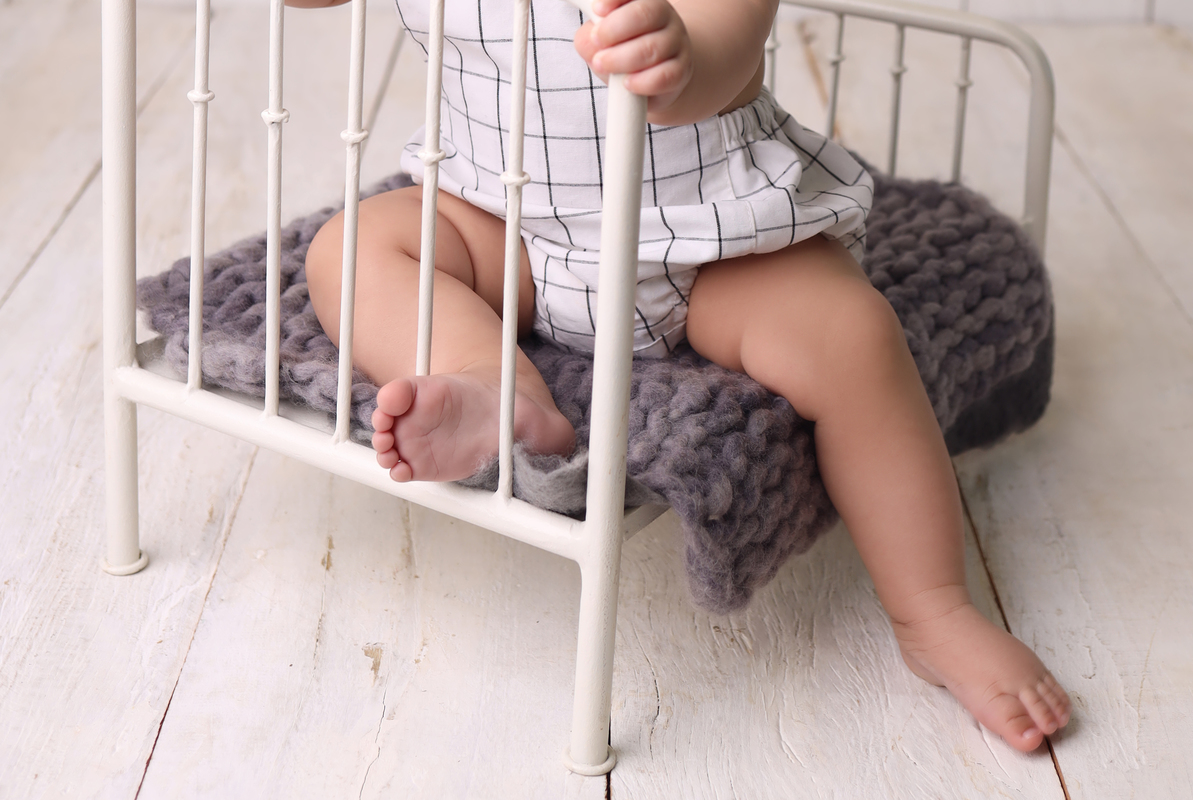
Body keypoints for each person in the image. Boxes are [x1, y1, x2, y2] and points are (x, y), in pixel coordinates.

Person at [286, 0, 1071, 752]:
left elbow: (730, 36)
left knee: (854, 338)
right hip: (508, 226)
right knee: (351, 248)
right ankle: (490, 379)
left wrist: (681, 55)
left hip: (712, 240)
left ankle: (933, 610)